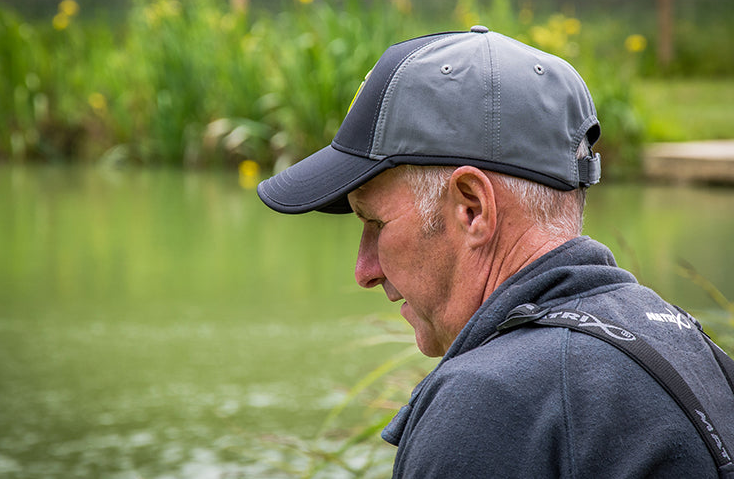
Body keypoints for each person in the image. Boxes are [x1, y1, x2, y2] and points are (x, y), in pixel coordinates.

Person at [257, 27, 734, 478]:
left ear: (472, 208)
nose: (364, 271)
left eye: (376, 223)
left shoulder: (489, 402)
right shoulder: (688, 348)